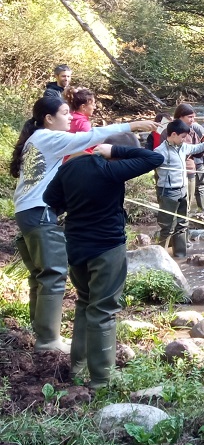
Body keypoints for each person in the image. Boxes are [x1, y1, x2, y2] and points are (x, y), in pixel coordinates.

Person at [9, 96, 157, 352]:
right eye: (65, 113)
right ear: (49, 118)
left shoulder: (38, 139)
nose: (70, 117)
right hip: (39, 212)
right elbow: (90, 136)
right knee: (53, 274)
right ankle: (48, 341)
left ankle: (42, 333)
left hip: (26, 211)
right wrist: (131, 126)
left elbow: (78, 152)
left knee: (40, 275)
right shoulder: (49, 137)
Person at [42, 134, 164, 388]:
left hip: (76, 246)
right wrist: (114, 151)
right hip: (107, 248)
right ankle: (102, 379)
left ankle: (78, 368)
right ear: (115, 153)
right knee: (104, 310)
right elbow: (154, 157)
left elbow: (50, 200)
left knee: (85, 303)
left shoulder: (71, 166)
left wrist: (77, 205)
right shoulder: (111, 169)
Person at [153, 118, 204, 257]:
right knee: (167, 227)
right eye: (182, 137)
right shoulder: (159, 152)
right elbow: (148, 166)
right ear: (173, 134)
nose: (184, 139)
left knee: (182, 225)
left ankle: (180, 256)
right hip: (167, 193)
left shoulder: (183, 147)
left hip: (182, 190)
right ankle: (160, 259)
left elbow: (197, 148)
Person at [172, 104, 204, 212]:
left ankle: (186, 221)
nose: (193, 120)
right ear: (180, 116)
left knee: (187, 204)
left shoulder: (191, 131)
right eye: (190, 117)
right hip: (175, 172)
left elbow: (197, 153)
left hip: (190, 170)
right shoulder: (169, 130)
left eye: (193, 117)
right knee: (176, 205)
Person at [63, 87, 97, 161]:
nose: (94, 107)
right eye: (93, 104)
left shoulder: (69, 117)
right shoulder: (83, 123)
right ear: (83, 107)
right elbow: (92, 143)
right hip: (74, 160)